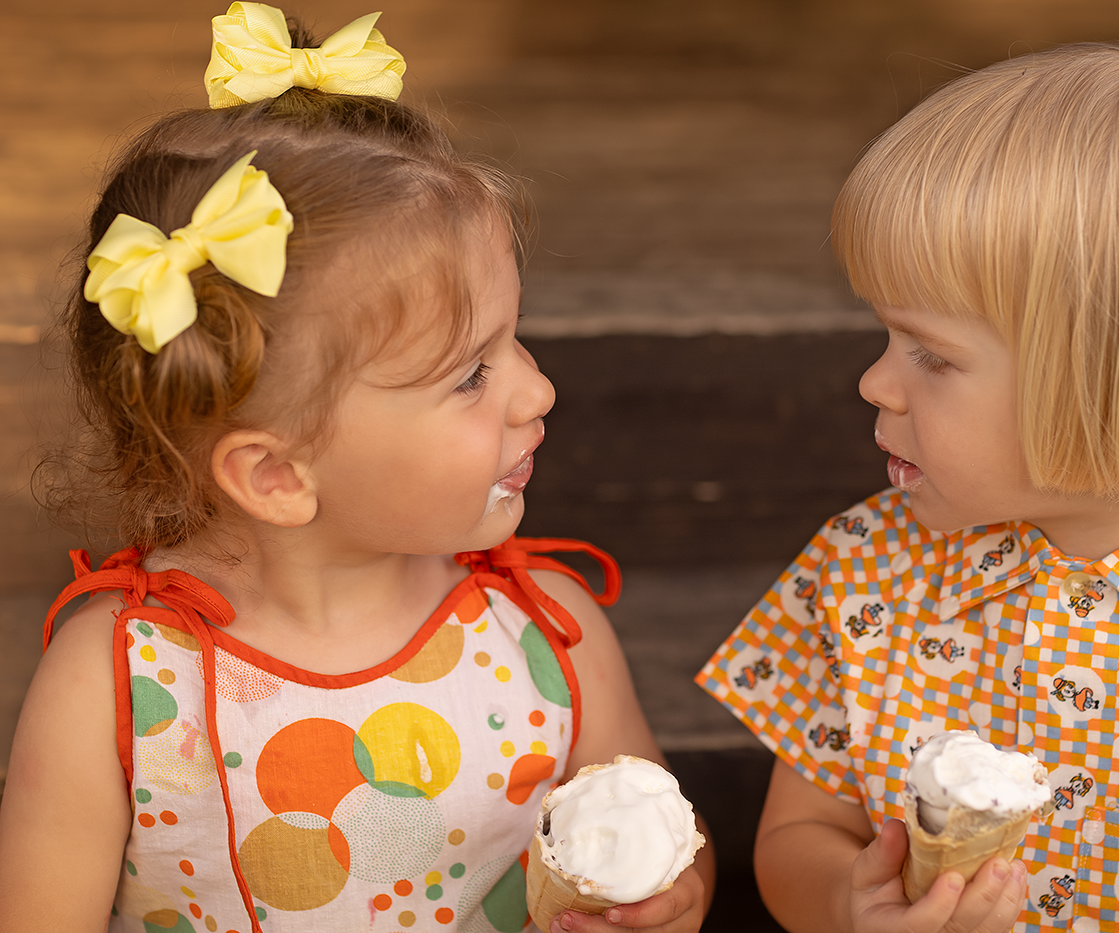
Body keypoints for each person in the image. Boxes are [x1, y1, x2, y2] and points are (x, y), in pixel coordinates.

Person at [0, 5, 712, 932]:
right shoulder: (117, 684)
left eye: (514, 338)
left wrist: (669, 901)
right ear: (276, 475)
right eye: (470, 373)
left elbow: (667, 845)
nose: (537, 390)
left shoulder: (548, 636)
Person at [697, 43, 1119, 933]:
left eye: (932, 355)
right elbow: (800, 836)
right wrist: (852, 901)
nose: (875, 382)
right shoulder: (865, 568)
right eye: (886, 337)